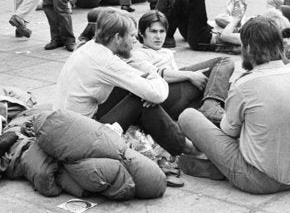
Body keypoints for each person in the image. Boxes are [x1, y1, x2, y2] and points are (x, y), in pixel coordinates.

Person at [178, 16, 290, 194]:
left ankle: (222, 169)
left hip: (259, 180)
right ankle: (222, 169)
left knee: (188, 116)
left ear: (248, 48)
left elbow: (228, 133)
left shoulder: (245, 84)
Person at [55, 10, 189, 157]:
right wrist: (153, 74)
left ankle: (176, 143)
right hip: (82, 136)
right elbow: (158, 94)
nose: (135, 41)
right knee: (140, 99)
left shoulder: (91, 47)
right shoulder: (107, 62)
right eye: (132, 36)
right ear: (118, 37)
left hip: (66, 125)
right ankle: (185, 149)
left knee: (135, 90)